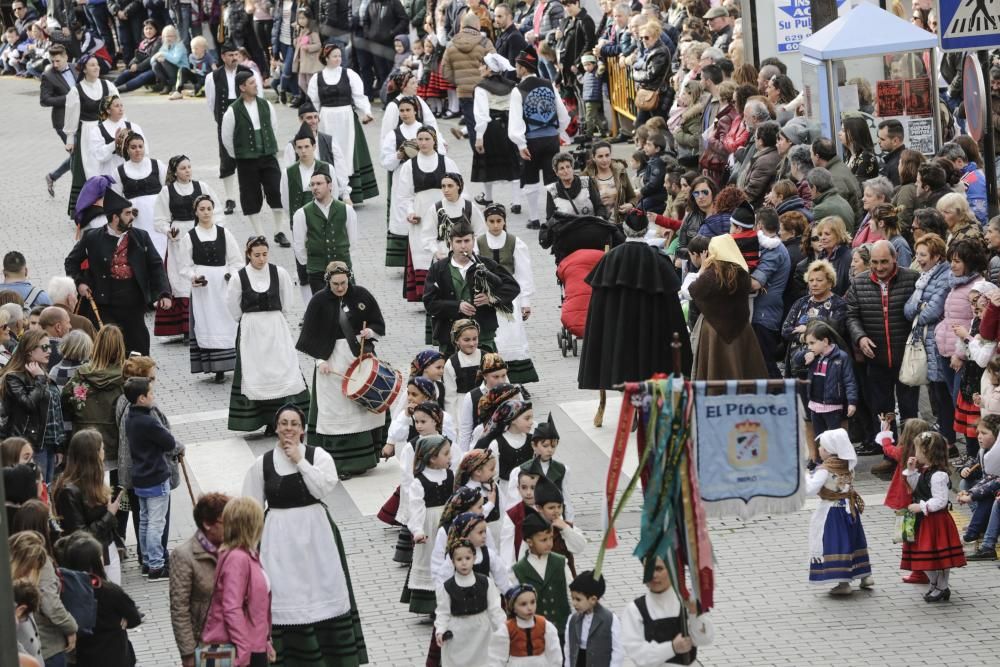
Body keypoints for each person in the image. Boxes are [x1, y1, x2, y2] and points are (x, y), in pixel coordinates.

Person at [242, 404, 368, 663]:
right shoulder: (262, 464)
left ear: (302, 429)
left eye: (294, 424)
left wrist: (299, 460)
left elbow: (322, 489)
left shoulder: (318, 456)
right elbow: (251, 506)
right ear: (276, 427)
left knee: (321, 586)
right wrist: (250, 548)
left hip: (316, 535)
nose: (289, 428)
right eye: (284, 423)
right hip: (278, 539)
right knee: (284, 591)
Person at [579, 210, 692, 388]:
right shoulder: (659, 261)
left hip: (618, 338)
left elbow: (598, 310)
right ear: (646, 228)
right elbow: (672, 314)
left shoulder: (609, 260)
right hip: (651, 339)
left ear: (625, 229)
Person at [296, 261, 386, 478]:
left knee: (362, 406)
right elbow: (309, 334)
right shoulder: (318, 301)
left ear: (349, 278)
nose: (339, 288)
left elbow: (378, 323)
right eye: (335, 284)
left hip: (359, 357)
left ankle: (366, 459)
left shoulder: (362, 295)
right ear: (328, 281)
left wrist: (370, 333)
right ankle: (339, 464)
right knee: (336, 409)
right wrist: (320, 361)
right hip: (332, 360)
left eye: (343, 283)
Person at [63, 189, 171, 356]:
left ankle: (139, 379)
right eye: (127, 213)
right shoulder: (92, 237)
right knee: (110, 349)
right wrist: (80, 283)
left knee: (139, 349)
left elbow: (155, 265)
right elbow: (71, 262)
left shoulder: (140, 236)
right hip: (104, 303)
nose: (132, 217)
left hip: (133, 303)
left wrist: (164, 293)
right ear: (115, 217)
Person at [226, 237, 309, 433]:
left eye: (264, 254)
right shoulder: (240, 277)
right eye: (257, 255)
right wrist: (246, 320)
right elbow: (232, 304)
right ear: (248, 255)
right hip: (252, 329)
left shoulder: (278, 273)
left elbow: (287, 301)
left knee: (281, 368)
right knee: (256, 372)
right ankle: (261, 418)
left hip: (275, 327)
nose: (261, 259)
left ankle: (283, 416)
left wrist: (275, 318)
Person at [846, 239, 919, 447]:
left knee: (909, 408)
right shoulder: (859, 283)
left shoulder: (912, 279)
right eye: (875, 262)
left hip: (905, 357)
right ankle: (889, 452)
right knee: (882, 409)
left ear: (894, 258)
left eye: (884, 262)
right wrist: (860, 337)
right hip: (875, 358)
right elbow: (851, 316)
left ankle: (909, 452)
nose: (879, 267)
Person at [153, 155, 223, 340]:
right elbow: (159, 219)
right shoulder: (167, 192)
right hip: (178, 239)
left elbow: (217, 210)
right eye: (183, 168)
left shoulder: (202, 188)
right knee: (180, 278)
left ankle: (205, 324)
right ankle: (185, 328)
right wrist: (169, 231)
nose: (187, 171)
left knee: (201, 273)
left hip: (200, 234)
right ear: (175, 171)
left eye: (189, 167)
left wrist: (212, 230)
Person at [424, 221, 521, 355]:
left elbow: (512, 287)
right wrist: (457, 306)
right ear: (451, 243)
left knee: (487, 374)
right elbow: (430, 302)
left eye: (467, 241)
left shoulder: (486, 265)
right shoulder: (438, 269)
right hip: (450, 338)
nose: (463, 246)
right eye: (458, 241)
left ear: (473, 241)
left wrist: (491, 298)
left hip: (483, 336)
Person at [199, 496, 274, 667]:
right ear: (251, 524)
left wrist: (265, 641)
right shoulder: (237, 559)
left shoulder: (247, 554)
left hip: (252, 645)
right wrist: (244, 648)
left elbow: (255, 607)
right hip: (240, 650)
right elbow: (231, 607)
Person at [221, 70, 292, 246]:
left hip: (268, 157)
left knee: (276, 190)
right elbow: (227, 138)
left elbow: (273, 128)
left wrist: (268, 147)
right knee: (250, 196)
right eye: (252, 82)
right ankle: (259, 234)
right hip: (246, 161)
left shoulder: (266, 105)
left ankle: (279, 230)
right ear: (242, 87)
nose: (256, 85)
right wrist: (240, 155)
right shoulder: (232, 111)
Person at [177, 195, 242, 381]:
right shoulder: (190, 237)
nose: (206, 212)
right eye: (202, 209)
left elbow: (236, 261)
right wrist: (193, 277)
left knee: (227, 320)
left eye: (209, 208)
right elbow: (184, 266)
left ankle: (230, 363)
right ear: (196, 212)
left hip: (222, 284)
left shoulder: (224, 233)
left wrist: (230, 274)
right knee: (208, 321)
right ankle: (214, 366)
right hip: (204, 288)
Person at [55, 532, 142, 667]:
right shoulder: (109, 591)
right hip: (115, 657)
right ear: (95, 561)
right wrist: (126, 619)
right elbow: (134, 617)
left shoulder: (63, 591)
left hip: (82, 658)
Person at [306, 43, 378, 205]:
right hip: (326, 119)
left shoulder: (349, 74)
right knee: (329, 153)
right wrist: (312, 123)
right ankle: (332, 192)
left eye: (340, 56)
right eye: (334, 56)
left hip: (346, 119)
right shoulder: (317, 78)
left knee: (347, 153)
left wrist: (367, 111)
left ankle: (350, 193)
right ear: (326, 58)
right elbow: (314, 103)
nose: (338, 59)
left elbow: (359, 96)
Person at [508, 46, 571, 230]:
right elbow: (563, 113)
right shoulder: (548, 84)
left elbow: (516, 120)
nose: (516, 70)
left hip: (531, 141)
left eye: (517, 66)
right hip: (551, 138)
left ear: (524, 68)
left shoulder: (518, 90)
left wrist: (520, 143)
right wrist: (557, 130)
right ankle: (552, 216)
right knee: (552, 178)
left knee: (531, 177)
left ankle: (535, 218)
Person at [690, 233, 768, 381]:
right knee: (741, 368)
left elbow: (693, 290)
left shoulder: (712, 275)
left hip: (714, 331)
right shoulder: (743, 274)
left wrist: (702, 270)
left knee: (715, 372)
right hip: (741, 330)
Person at [901, 431, 968, 601]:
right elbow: (918, 488)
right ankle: (936, 584)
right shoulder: (926, 471)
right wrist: (911, 471)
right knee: (924, 554)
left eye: (917, 450)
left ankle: (941, 586)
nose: (914, 454)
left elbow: (941, 501)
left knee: (939, 556)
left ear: (927, 452)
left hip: (936, 521)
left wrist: (921, 506)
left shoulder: (939, 475)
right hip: (925, 520)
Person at [123, 376, 177, 581]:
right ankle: (156, 565)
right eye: (150, 393)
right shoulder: (149, 421)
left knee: (145, 520)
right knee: (156, 522)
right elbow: (169, 441)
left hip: (140, 477)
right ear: (141, 399)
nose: (153, 396)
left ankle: (147, 560)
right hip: (155, 475)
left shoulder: (130, 418)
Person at [806, 428, 873, 595]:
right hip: (850, 509)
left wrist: (805, 477)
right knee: (854, 540)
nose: (819, 449)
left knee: (837, 542)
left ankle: (843, 583)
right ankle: (865, 575)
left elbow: (811, 489)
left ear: (829, 450)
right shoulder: (847, 465)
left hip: (833, 511)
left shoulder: (825, 470)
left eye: (821, 447)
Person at [50, 430, 123, 583]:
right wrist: (109, 515)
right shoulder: (68, 492)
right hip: (91, 561)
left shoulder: (94, 481)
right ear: (93, 455)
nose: (104, 452)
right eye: (101, 448)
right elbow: (80, 536)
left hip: (108, 550)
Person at [168, 491, 230, 667]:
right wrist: (188, 653)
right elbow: (179, 608)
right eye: (225, 522)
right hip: (204, 644)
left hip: (235, 639)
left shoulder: (233, 550)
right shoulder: (184, 556)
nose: (232, 527)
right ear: (208, 524)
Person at [389, 125, 459, 277]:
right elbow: (404, 196)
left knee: (445, 251)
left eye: (427, 139)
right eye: (420, 139)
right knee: (423, 254)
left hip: (444, 214)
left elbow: (460, 190)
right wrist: (410, 212)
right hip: (420, 216)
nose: (423, 143)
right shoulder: (409, 166)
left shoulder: (447, 162)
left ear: (434, 140)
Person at [479, 204, 537, 384]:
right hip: (488, 294)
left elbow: (523, 273)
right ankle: (494, 381)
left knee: (514, 335)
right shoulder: (478, 243)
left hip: (510, 294)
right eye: (491, 221)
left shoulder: (514, 242)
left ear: (504, 221)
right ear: (486, 222)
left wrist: (525, 301)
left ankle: (517, 382)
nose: (495, 225)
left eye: (499, 221)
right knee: (496, 337)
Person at [620, 555, 714, 666]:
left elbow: (704, 639)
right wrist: (672, 648)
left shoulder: (687, 602)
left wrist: (694, 613)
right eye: (649, 569)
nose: (653, 575)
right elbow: (639, 656)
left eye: (659, 569)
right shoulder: (634, 609)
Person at [0, 330, 64, 484]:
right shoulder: (14, 377)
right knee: (35, 490)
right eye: (44, 347)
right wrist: (39, 379)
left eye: (49, 346)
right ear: (29, 351)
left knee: (47, 490)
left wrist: (58, 447)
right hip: (30, 443)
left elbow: (54, 412)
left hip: (48, 442)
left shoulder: (42, 374)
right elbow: (28, 404)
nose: (49, 351)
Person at [206, 41, 262, 215]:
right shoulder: (213, 77)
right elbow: (211, 101)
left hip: (246, 119)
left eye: (236, 54)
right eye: (230, 55)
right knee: (226, 158)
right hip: (225, 120)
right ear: (223, 57)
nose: (234, 58)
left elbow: (257, 96)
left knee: (248, 157)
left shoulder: (249, 73)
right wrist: (221, 120)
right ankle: (230, 198)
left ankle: (251, 194)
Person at [433, 536, 506, 666]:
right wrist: (440, 630)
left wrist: (503, 628)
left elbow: (495, 608)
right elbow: (443, 612)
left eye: (467, 558)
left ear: (474, 558)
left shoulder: (485, 582)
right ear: (452, 561)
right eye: (459, 559)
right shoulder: (447, 587)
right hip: (458, 635)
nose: (464, 563)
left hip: (482, 634)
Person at [62, 55, 121, 218]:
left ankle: (110, 206)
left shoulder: (107, 86)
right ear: (84, 69)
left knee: (108, 166)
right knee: (89, 169)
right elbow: (71, 116)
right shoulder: (76, 90)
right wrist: (70, 139)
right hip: (86, 133)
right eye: (92, 65)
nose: (96, 68)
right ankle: (86, 210)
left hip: (105, 131)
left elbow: (118, 108)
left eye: (97, 65)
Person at [291, 171, 359, 293]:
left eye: (319, 183)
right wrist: (312, 264)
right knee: (323, 309)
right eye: (312, 184)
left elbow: (353, 242)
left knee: (349, 307)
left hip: (343, 270)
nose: (315, 187)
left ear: (330, 185)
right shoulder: (302, 214)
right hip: (317, 272)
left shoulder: (347, 210)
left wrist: (345, 263)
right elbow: (299, 245)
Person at [510, 512, 571, 638]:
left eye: (551, 538)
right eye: (543, 540)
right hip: (534, 633)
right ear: (529, 542)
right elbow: (515, 604)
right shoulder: (519, 570)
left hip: (562, 630)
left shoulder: (560, 562)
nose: (549, 543)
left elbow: (570, 592)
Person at [472, 54, 521, 208]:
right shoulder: (512, 85)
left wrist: (479, 136)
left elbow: (481, 114)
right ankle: (517, 201)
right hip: (510, 126)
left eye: (482, 65)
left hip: (491, 128)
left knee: (488, 163)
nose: (479, 68)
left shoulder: (481, 87)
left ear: (489, 68)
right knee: (513, 163)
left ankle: (488, 198)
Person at [112, 131, 168, 258]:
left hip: (157, 217)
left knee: (161, 249)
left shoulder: (157, 165)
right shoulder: (119, 171)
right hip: (137, 220)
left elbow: (168, 190)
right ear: (127, 150)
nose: (137, 150)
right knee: (141, 251)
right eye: (133, 147)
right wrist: (127, 210)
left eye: (140, 146)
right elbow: (116, 198)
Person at [489, 583, 563, 665]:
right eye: (523, 604)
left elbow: (554, 652)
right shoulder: (507, 628)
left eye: (532, 602)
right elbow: (497, 656)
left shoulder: (544, 624)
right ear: (513, 608)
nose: (529, 608)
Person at [39, 45, 75, 198]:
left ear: (66, 57)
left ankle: (52, 176)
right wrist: (67, 99)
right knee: (78, 153)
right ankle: (80, 189)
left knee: (79, 154)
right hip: (63, 123)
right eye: (52, 61)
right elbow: (44, 100)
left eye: (58, 61)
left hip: (81, 118)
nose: (55, 64)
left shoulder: (76, 68)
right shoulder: (48, 75)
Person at [564, 570, 621, 666]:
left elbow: (617, 651)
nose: (574, 603)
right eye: (572, 598)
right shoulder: (572, 619)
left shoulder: (610, 619)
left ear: (593, 599)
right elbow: (568, 648)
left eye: (578, 599)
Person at [543, 152, 608, 224]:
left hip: (590, 228)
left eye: (568, 167)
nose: (566, 171)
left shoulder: (586, 182)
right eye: (561, 168)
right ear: (556, 173)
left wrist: (600, 218)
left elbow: (599, 206)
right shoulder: (552, 190)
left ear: (572, 168)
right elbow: (550, 218)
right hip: (567, 232)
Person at [877, 118, 906, 186]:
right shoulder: (901, 158)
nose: (878, 141)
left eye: (882, 139)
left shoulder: (898, 164)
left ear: (895, 141)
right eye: (878, 138)